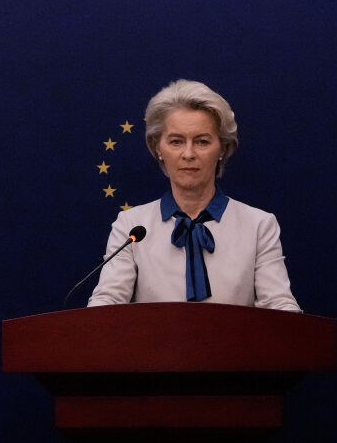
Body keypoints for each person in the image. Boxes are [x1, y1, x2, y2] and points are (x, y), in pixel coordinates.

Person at [87, 79, 299, 311]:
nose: (188, 154)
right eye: (176, 141)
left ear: (223, 149)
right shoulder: (131, 226)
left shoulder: (258, 225)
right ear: (158, 148)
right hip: (153, 348)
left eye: (202, 141)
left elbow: (279, 306)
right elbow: (107, 303)